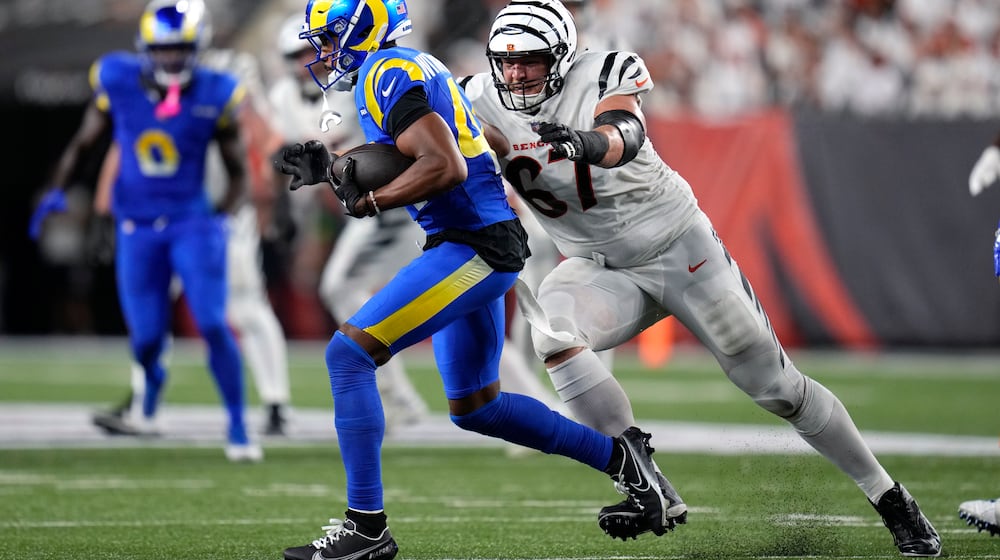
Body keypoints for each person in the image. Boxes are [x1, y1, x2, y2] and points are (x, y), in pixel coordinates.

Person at [460, 0, 941, 556]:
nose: (516, 75)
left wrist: (582, 141)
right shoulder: (475, 97)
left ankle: (890, 497)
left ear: (564, 57)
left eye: (532, 62)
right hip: (596, 265)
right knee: (555, 333)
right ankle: (642, 478)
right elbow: (438, 149)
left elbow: (624, 133)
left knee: (777, 388)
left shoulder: (606, 70)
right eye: (506, 62)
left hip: (678, 248)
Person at [275, 1, 675, 559]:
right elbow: (459, 140)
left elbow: (445, 165)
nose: (323, 53)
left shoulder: (385, 72)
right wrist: (335, 167)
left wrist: (373, 199)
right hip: (478, 238)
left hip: (472, 245)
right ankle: (624, 460)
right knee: (477, 406)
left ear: (364, 29)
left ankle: (366, 528)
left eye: (331, 37)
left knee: (348, 356)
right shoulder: (409, 66)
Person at [30, 0, 261, 462]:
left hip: (190, 222)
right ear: (145, 48)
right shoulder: (117, 79)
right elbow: (84, 143)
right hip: (135, 225)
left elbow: (239, 171)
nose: (171, 58)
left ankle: (238, 423)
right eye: (162, 49)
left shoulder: (217, 91)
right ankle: (149, 401)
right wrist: (59, 188)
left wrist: (221, 217)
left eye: (179, 48)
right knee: (147, 338)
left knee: (213, 322)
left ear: (197, 47)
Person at [90, 48, 294, 438]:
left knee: (245, 308)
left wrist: (273, 201)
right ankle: (142, 403)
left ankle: (275, 404)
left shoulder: (230, 83)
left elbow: (268, 140)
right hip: (164, 217)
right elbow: (125, 145)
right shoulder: (151, 86)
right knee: (149, 309)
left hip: (219, 214)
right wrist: (104, 210)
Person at [270, 13, 430, 431]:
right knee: (344, 289)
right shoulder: (288, 96)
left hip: (400, 205)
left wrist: (334, 171)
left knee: (453, 310)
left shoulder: (369, 78)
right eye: (304, 50)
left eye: (321, 44)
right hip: (368, 208)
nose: (316, 57)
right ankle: (397, 398)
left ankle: (398, 399)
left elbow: (376, 158)